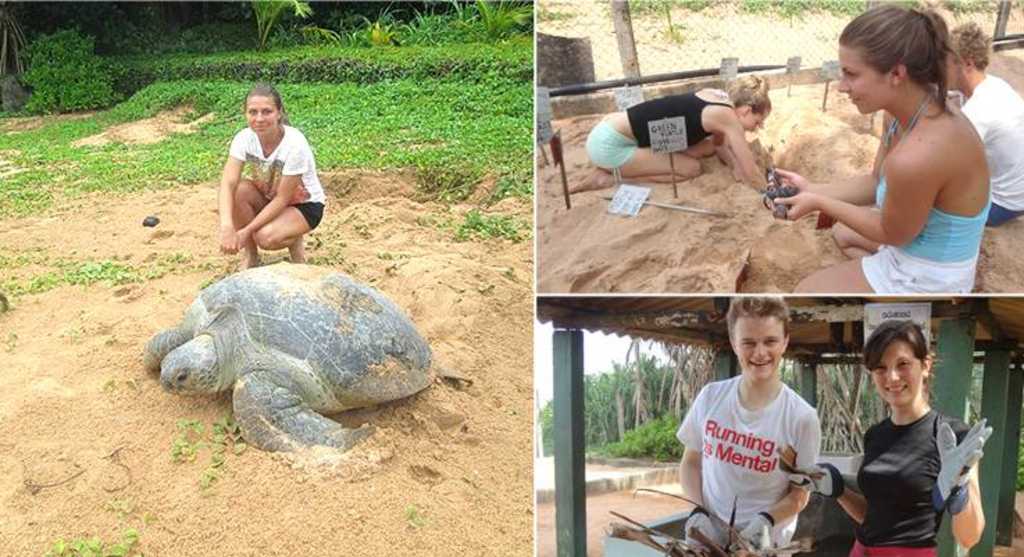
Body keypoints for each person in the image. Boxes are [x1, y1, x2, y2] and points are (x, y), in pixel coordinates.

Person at [772, 6, 990, 293]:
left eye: (851, 74)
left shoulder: (919, 155)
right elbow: (876, 182)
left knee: (805, 291)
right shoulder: (904, 115)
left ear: (897, 73)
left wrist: (819, 203)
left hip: (930, 274)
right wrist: (811, 189)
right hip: (913, 242)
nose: (841, 86)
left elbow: (892, 234)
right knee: (843, 232)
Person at [791, 320, 991, 555]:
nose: (892, 377)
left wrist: (959, 490)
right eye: (881, 368)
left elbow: (969, 537)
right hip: (861, 550)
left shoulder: (953, 437)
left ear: (925, 365)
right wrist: (839, 491)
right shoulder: (875, 435)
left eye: (903, 364)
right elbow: (874, 516)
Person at [677, 297, 820, 552]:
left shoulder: (802, 417)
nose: (760, 353)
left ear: (785, 341)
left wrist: (765, 520)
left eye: (770, 341)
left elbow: (800, 494)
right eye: (749, 343)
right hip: (709, 536)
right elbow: (690, 462)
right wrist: (698, 510)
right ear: (734, 343)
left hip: (765, 540)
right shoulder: (711, 397)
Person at [573, 75, 772, 193]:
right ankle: (607, 178)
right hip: (609, 147)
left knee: (706, 147)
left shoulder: (718, 97)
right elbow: (751, 171)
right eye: (758, 121)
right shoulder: (727, 118)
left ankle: (625, 166)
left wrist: (733, 166)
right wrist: (768, 191)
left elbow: (719, 145)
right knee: (690, 169)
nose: (758, 127)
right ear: (746, 110)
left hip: (610, 131)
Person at [218, 83, 326, 270]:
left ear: (279, 113)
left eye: (266, 111)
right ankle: (251, 256)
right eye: (253, 112)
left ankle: (295, 242)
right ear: (245, 114)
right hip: (270, 197)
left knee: (265, 237)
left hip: (304, 204)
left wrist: (246, 231)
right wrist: (227, 226)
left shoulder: (295, 144)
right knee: (239, 190)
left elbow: (284, 198)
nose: (259, 119)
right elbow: (228, 183)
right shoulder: (243, 139)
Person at [949, 22, 1024, 227]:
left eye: (946, 63)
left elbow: (947, 164)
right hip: (1016, 190)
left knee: (933, 193)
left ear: (967, 64)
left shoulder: (978, 112)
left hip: (1002, 204)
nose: (940, 69)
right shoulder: (994, 84)